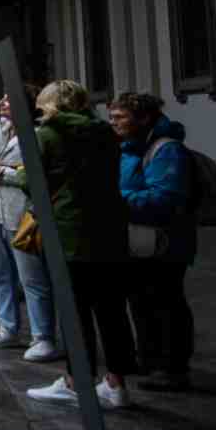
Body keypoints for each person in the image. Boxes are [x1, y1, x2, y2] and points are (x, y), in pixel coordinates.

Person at [21, 80, 137, 409]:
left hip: (70, 234)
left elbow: (32, 182)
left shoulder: (48, 135)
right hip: (111, 232)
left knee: (74, 312)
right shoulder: (104, 133)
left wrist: (10, 174)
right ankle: (116, 384)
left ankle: (75, 382)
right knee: (112, 310)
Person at [0, 91, 59, 362]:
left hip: (22, 213)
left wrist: (2, 172)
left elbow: (38, 174)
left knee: (33, 278)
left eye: (7, 99)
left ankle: (43, 337)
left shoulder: (37, 134)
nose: (1, 103)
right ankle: (8, 328)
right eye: (1, 99)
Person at [110, 91, 197, 391]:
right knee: (140, 300)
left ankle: (173, 368)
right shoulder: (131, 148)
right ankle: (149, 359)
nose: (114, 123)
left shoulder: (166, 150)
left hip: (166, 242)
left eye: (120, 117)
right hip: (138, 239)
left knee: (166, 302)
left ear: (143, 118)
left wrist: (115, 200)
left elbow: (165, 197)